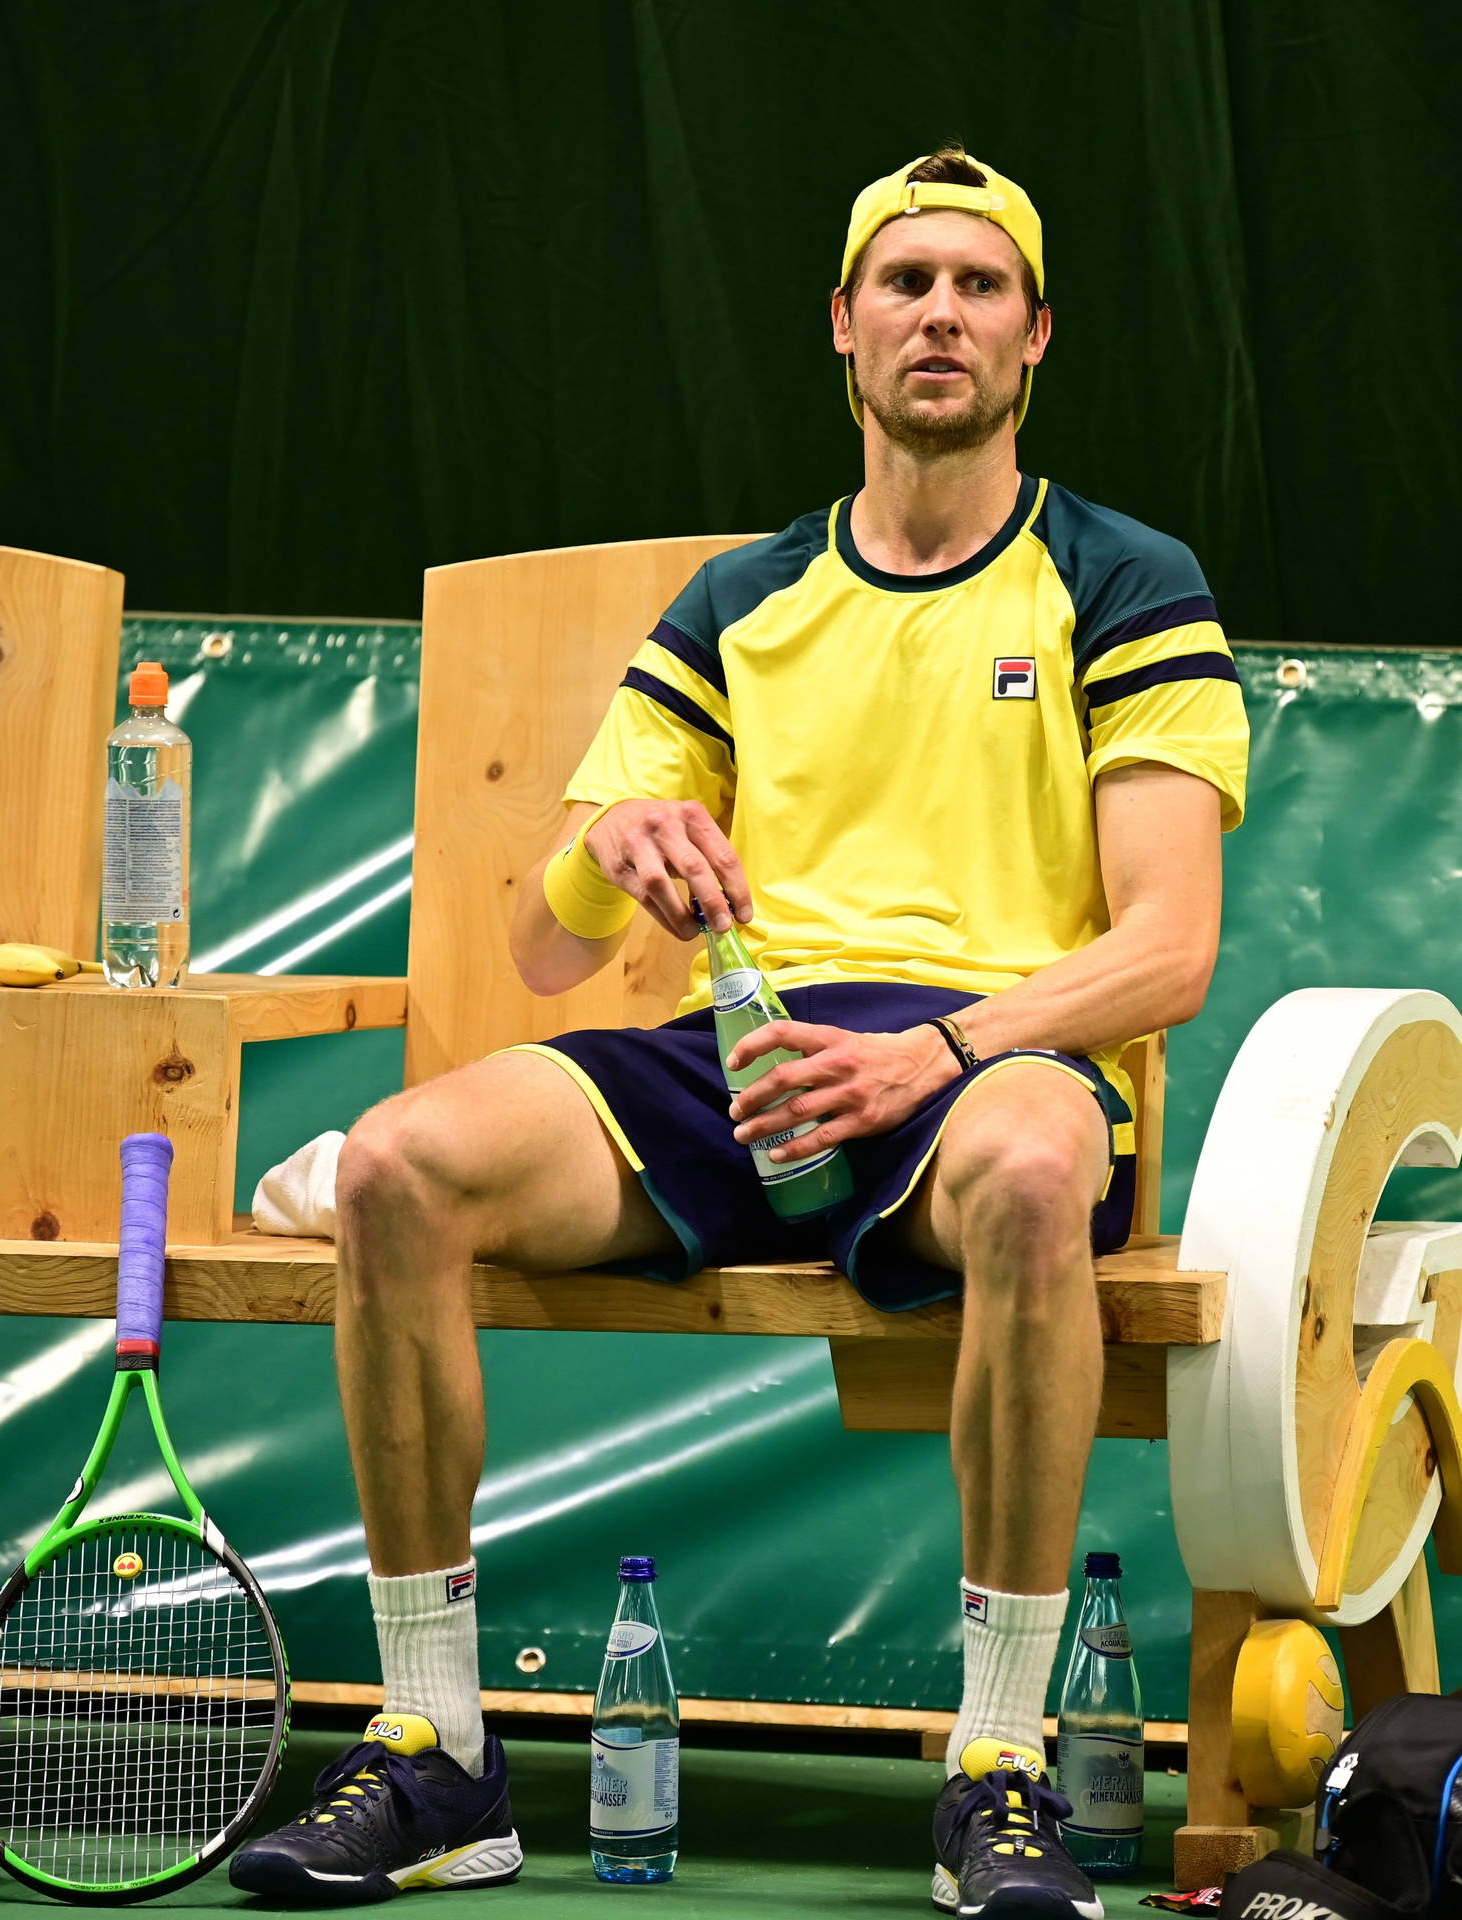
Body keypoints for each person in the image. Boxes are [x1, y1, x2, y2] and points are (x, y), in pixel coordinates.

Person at [230, 148, 1248, 1914]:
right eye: (905, 282)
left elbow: (1163, 951)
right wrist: (600, 854)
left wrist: (942, 1055)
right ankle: (434, 1748)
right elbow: (545, 958)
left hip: (988, 1056)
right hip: (755, 1054)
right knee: (397, 1165)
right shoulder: (738, 601)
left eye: (977, 286)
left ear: (1035, 337)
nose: (940, 312)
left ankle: (996, 1760)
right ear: (842, 329)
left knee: (1024, 1167)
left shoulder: (1121, 576)